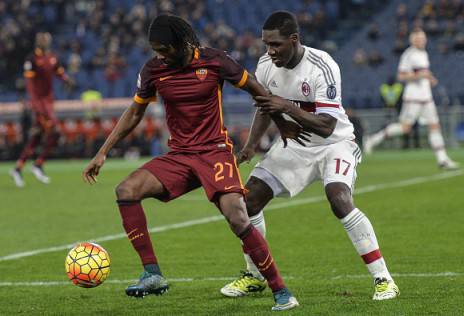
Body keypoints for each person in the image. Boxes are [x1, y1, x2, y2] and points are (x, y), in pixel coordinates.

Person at [82, 15, 303, 311]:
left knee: (238, 217)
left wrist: (281, 123)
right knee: (127, 190)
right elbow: (135, 113)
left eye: (164, 49)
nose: (159, 55)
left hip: (215, 152)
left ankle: (281, 291)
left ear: (183, 44)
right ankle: (152, 275)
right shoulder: (153, 71)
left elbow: (258, 91)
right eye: (155, 50)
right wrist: (103, 151)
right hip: (180, 156)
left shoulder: (215, 61)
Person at [220, 11, 400, 301]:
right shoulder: (266, 65)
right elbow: (265, 107)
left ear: (294, 39)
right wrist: (251, 145)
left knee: (339, 199)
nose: (270, 51)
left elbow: (327, 127)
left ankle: (383, 279)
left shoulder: (322, 65)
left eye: (276, 44)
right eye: (266, 44)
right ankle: (254, 276)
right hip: (297, 144)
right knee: (248, 200)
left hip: (335, 144)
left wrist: (287, 107)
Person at [364, 28, 458, 169]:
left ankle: (442, 159)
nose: (422, 41)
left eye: (423, 38)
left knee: (434, 126)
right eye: (419, 39)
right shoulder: (408, 55)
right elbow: (401, 76)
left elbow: (423, 71)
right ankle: (372, 139)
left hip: (426, 98)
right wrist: (420, 76)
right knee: (405, 128)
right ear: (412, 40)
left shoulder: (423, 53)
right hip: (413, 98)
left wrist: (430, 78)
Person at [10, 32, 73, 187]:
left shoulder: (52, 57)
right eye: (45, 39)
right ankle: (38, 164)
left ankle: (18, 168)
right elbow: (29, 84)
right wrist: (34, 104)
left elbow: (59, 71)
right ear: (39, 42)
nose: (47, 41)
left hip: (49, 102)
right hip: (39, 104)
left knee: (37, 136)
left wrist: (67, 80)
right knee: (56, 131)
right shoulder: (31, 60)